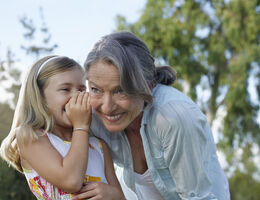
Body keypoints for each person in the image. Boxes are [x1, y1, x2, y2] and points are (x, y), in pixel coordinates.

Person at [74, 31, 230, 200]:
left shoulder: (173, 118)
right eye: (96, 89)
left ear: (148, 86)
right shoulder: (90, 115)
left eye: (121, 91)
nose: (107, 107)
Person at [0, 55, 125, 200]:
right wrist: (81, 126)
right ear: (41, 98)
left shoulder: (99, 146)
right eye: (66, 89)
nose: (76, 96)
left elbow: (120, 196)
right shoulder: (30, 136)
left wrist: (114, 195)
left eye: (81, 89)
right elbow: (71, 181)